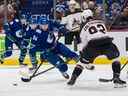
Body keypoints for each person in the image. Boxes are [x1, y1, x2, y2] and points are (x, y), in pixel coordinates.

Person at [67, 9, 126, 87]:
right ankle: (116, 79)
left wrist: (83, 54)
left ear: (84, 17)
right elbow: (104, 34)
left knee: (81, 63)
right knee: (116, 59)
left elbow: (84, 42)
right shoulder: (101, 21)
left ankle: (73, 79)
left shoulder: (83, 26)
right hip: (106, 43)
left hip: (93, 45)